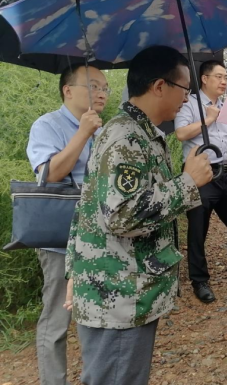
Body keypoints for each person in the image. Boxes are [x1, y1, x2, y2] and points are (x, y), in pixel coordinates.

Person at [64, 46, 213, 385]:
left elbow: (91, 206)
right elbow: (122, 215)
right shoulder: (125, 136)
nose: (187, 101)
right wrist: (187, 183)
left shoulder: (140, 133)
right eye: (185, 91)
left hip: (124, 290)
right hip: (118, 295)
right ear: (159, 86)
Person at [26, 63, 109, 385]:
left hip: (98, 234)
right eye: (93, 86)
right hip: (60, 237)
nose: (101, 93)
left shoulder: (101, 129)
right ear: (68, 90)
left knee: (98, 314)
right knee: (58, 317)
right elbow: (50, 175)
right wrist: (83, 133)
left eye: (104, 87)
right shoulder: (46, 125)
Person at [175, 60, 227, 303]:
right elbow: (181, 133)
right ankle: (199, 280)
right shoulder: (190, 103)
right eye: (219, 77)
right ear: (204, 78)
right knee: (198, 227)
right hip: (199, 173)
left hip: (226, 171)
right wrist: (208, 120)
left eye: (226, 77)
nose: (224, 81)